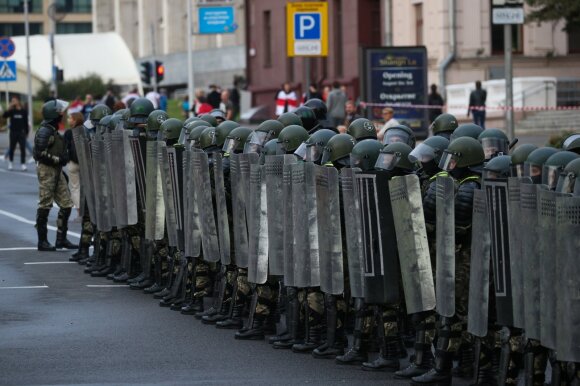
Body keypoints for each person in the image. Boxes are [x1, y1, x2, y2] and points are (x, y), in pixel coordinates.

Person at [33, 99, 78, 252]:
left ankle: (61, 238)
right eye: (60, 112)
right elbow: (39, 153)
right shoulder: (45, 131)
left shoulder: (52, 129)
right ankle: (42, 241)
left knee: (66, 203)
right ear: (53, 114)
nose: (62, 114)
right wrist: (58, 159)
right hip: (47, 170)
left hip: (57, 170)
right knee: (45, 204)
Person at [63, 112, 83, 218]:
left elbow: (64, 148)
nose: (68, 120)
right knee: (87, 186)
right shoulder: (85, 131)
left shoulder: (68, 133)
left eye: (70, 118)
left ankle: (79, 210)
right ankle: (88, 210)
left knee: (75, 187)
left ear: (75, 120)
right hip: (85, 162)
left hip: (72, 163)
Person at [3, 95, 29, 171]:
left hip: (21, 132)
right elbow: (4, 116)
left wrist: (26, 132)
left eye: (14, 100)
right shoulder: (11, 111)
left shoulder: (23, 111)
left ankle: (23, 164)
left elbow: (25, 122)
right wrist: (9, 107)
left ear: (18, 101)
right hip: (13, 132)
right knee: (12, 148)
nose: (13, 102)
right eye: (12, 101)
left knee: (22, 148)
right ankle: (10, 163)